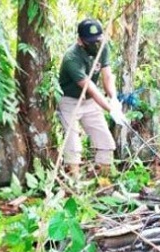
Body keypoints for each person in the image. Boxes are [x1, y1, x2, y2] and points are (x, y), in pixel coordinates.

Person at [57, 18, 128, 180]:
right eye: (91, 42)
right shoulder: (71, 58)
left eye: (97, 40)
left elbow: (107, 76)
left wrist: (114, 99)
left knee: (106, 142)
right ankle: (75, 183)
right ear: (80, 40)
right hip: (69, 102)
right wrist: (110, 110)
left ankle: (104, 182)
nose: (95, 44)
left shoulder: (102, 47)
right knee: (73, 146)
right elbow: (90, 87)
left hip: (90, 102)